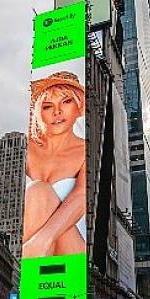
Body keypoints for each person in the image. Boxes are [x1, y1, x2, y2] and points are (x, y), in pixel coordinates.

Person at [23, 71, 86, 259]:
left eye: (66, 102)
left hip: (70, 250)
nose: (57, 112)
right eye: (48, 106)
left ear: (79, 106)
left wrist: (42, 241)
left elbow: (82, 195)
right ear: (38, 112)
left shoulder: (86, 151)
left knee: (38, 191)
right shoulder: (23, 148)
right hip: (26, 248)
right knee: (38, 191)